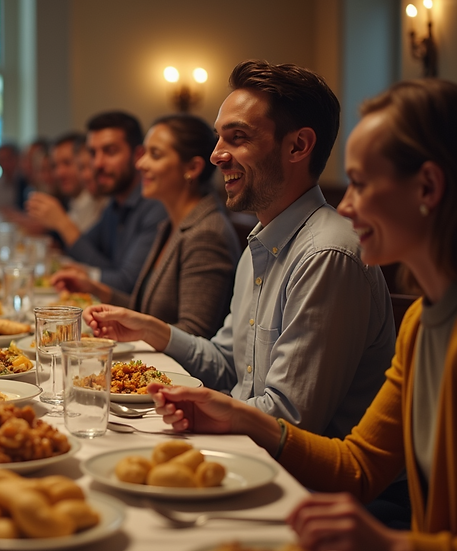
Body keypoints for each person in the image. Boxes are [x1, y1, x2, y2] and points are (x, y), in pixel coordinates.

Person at [147, 78, 457, 551]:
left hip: (376, 516)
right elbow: (358, 465)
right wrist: (232, 412)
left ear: (429, 187)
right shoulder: (420, 324)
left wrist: (395, 544)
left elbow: (334, 455)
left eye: (361, 183)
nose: (347, 205)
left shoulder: (329, 250)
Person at [84, 60, 395, 439]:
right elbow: (229, 366)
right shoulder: (261, 245)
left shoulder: (325, 254)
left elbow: (290, 420)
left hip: (311, 485)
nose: (217, 154)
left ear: (298, 146)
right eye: (218, 137)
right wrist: (151, 329)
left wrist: (196, 416)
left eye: (238, 137)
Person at [55, 114, 241, 339]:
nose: (141, 164)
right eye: (144, 154)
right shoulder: (172, 224)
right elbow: (147, 310)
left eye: (155, 155)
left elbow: (195, 336)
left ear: (192, 167)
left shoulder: (206, 233)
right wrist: (96, 288)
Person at [30, 111, 168, 293]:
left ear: (138, 155)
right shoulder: (114, 204)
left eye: (110, 152)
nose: (97, 164)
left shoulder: (155, 206)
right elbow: (83, 251)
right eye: (93, 153)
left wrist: (62, 224)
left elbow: (128, 283)